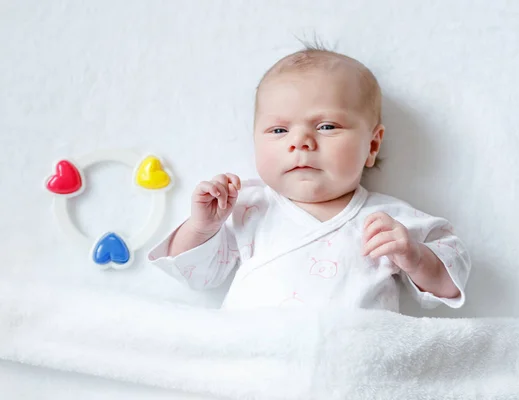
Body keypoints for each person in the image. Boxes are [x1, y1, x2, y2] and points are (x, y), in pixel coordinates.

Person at [147, 47, 470, 311]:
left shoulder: (389, 220)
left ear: (371, 145)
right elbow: (197, 276)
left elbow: (447, 284)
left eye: (327, 126)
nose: (299, 142)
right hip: (257, 359)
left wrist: (414, 256)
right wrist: (203, 228)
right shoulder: (248, 207)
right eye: (279, 130)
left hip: (350, 363)